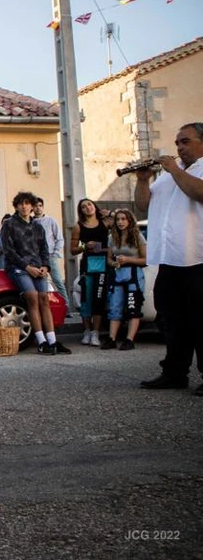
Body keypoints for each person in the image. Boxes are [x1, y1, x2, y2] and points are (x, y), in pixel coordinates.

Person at [135, 122, 203, 395]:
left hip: (197, 258)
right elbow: (142, 205)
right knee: (171, 320)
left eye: (185, 141)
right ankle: (174, 372)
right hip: (169, 259)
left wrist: (174, 169)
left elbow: (200, 193)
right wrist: (143, 180)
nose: (179, 147)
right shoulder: (166, 177)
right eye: (177, 143)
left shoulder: (188, 171)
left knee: (201, 320)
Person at [0, 192, 68, 355]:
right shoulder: (9, 224)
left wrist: (46, 266)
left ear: (32, 206)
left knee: (44, 298)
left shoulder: (38, 226)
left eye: (27, 203)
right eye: (20, 203)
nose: (24, 206)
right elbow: (9, 251)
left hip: (38, 267)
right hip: (18, 268)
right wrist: (26, 267)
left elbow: (44, 249)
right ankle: (41, 341)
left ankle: (52, 340)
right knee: (32, 297)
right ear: (16, 206)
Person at [103, 209, 147, 351]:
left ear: (129, 221)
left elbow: (145, 260)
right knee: (115, 306)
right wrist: (114, 263)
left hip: (133, 274)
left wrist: (128, 259)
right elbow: (109, 259)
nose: (120, 222)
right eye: (118, 219)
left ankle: (129, 339)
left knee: (133, 307)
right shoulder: (112, 237)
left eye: (123, 219)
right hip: (118, 274)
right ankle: (112, 338)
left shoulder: (137, 236)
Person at [70, 198, 109, 346]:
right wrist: (85, 247)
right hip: (87, 264)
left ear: (95, 206)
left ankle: (95, 333)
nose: (87, 207)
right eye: (83, 207)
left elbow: (127, 219)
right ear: (81, 211)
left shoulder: (106, 222)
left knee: (99, 298)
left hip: (103, 264)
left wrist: (109, 213)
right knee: (86, 298)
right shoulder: (78, 226)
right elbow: (72, 250)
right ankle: (87, 330)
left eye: (89, 204)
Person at [33, 198, 71, 313]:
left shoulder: (50, 221)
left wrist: (55, 253)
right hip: (37, 258)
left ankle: (66, 308)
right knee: (42, 284)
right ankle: (46, 310)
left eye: (40, 205)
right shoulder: (31, 222)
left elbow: (59, 238)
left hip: (50, 256)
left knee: (58, 281)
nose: (38, 208)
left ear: (43, 207)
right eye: (35, 206)